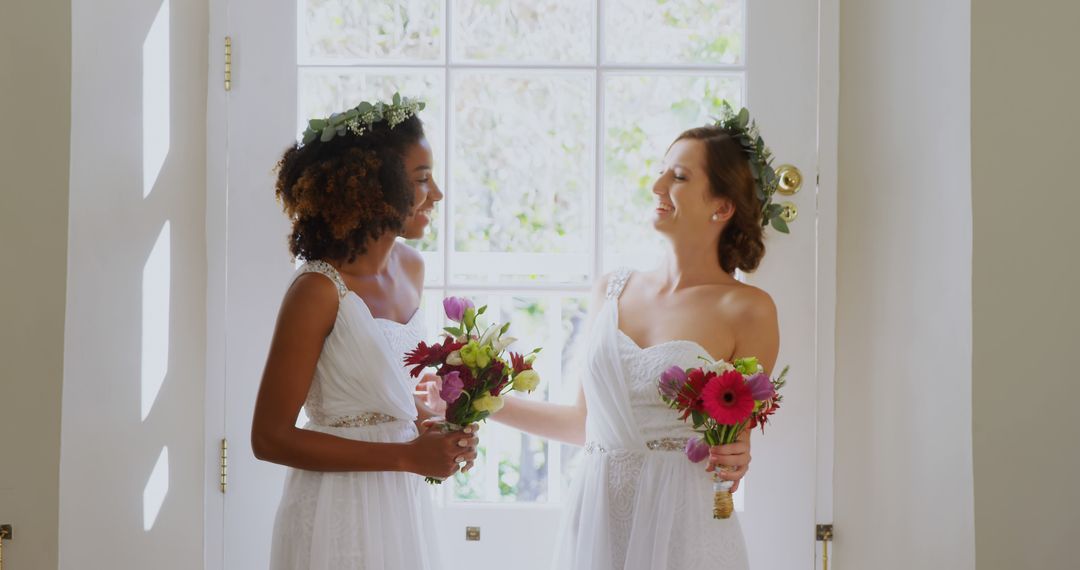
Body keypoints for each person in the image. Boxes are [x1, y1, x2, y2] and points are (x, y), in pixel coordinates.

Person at [493, 115, 781, 569]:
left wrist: (736, 455)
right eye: (663, 169)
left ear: (722, 207)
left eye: (679, 176)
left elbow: (732, 444)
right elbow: (582, 424)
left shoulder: (748, 308)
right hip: (598, 513)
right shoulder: (612, 288)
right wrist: (480, 405)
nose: (657, 184)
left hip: (682, 522)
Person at [250, 95, 476, 570]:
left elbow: (382, 394)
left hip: (399, 507)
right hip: (335, 509)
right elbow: (268, 438)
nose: (436, 194)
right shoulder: (317, 290)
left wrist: (434, 432)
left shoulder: (413, 270)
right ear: (374, 187)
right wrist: (408, 458)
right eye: (420, 180)